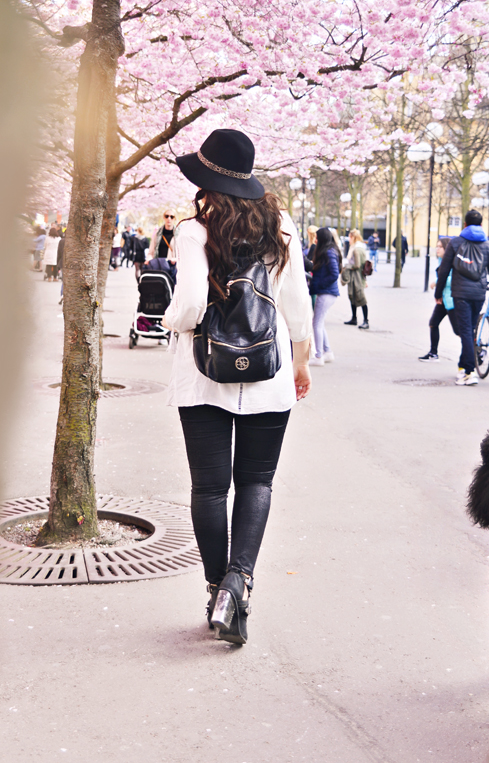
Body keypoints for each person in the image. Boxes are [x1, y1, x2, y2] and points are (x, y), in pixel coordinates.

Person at [161, 127, 313, 646]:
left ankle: (214, 587)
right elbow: (298, 304)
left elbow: (186, 308)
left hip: (204, 378)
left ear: (205, 182)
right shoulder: (282, 226)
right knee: (256, 482)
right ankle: (238, 584)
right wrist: (302, 361)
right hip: (269, 374)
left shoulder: (192, 230)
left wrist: (166, 322)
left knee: (209, 488)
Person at [435, 209, 489, 386]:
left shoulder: (456, 242)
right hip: (479, 293)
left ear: (464, 224)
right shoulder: (488, 245)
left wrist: (438, 293)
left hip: (461, 294)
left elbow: (444, 270)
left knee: (466, 332)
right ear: (481, 225)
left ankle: (470, 372)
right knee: (470, 331)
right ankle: (462, 366)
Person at [308, 227, 341, 365]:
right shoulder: (330, 251)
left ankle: (318, 356)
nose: (315, 239)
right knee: (319, 323)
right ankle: (327, 352)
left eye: (317, 237)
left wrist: (320, 285)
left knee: (316, 323)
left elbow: (334, 273)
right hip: (327, 291)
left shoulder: (328, 252)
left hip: (326, 292)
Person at [418, 239, 453, 362]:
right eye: (437, 246)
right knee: (433, 322)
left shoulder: (453, 261)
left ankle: (476, 352)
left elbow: (453, 279)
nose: (437, 249)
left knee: (461, 331)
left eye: (440, 247)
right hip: (443, 299)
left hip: (452, 300)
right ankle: (433, 353)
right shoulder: (441, 261)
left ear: (447, 249)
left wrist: (437, 282)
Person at [341, 228, 370, 329]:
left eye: (349, 237)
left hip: (356, 277)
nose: (349, 239)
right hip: (359, 276)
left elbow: (357, 265)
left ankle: (365, 320)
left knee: (360, 297)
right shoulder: (360, 247)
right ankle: (354, 318)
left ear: (353, 237)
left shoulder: (356, 249)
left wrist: (347, 267)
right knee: (353, 296)